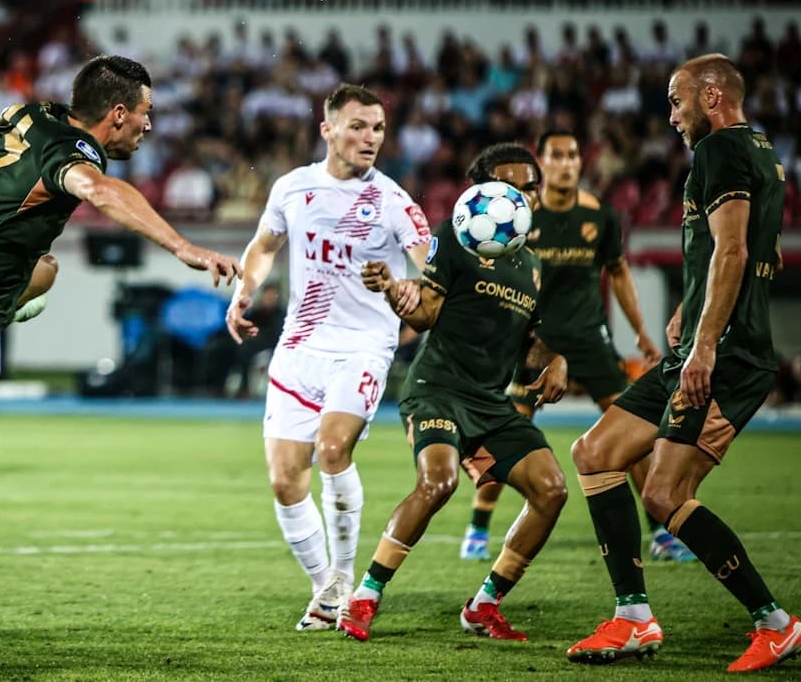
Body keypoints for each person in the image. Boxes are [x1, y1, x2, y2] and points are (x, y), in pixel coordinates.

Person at [0, 55, 242, 682]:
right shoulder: (75, 154)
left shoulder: (32, 115)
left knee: (46, 269)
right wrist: (183, 247)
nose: (149, 126)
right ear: (117, 114)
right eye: (145, 114)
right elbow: (99, 190)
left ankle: (6, 299)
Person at [565, 55, 797, 672]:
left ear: (712, 95)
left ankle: (775, 624)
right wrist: (690, 313)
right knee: (595, 453)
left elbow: (733, 250)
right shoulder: (763, 152)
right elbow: (747, 254)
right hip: (703, 344)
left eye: (676, 100)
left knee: (665, 493)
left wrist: (706, 342)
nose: (670, 116)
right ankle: (633, 618)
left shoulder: (719, 149)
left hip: (725, 356)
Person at [340, 143, 570, 644]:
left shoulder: (533, 266)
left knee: (551, 490)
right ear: (484, 193)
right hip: (438, 391)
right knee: (439, 482)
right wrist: (392, 289)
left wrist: (554, 359)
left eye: (531, 187)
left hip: (490, 403)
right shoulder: (454, 239)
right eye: (511, 186)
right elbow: (425, 315)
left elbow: (529, 343)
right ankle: (365, 596)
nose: (525, 195)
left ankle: (484, 605)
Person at [225, 83, 432, 632]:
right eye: (358, 126)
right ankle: (325, 589)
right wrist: (244, 291)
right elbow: (264, 246)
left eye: (379, 128)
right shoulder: (293, 187)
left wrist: (408, 290)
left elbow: (432, 271)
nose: (371, 137)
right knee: (284, 480)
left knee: (334, 448)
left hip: (363, 347)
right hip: (300, 347)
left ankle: (345, 578)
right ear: (328, 130)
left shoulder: (393, 202)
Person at [458, 130, 693, 563]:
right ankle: (477, 528)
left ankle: (660, 531)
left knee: (630, 430)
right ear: (542, 164)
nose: (565, 163)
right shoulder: (518, 216)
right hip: (536, 342)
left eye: (572, 155)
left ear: (580, 162)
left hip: (589, 338)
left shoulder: (600, 215)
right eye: (556, 155)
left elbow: (618, 272)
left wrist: (641, 331)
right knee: (508, 432)